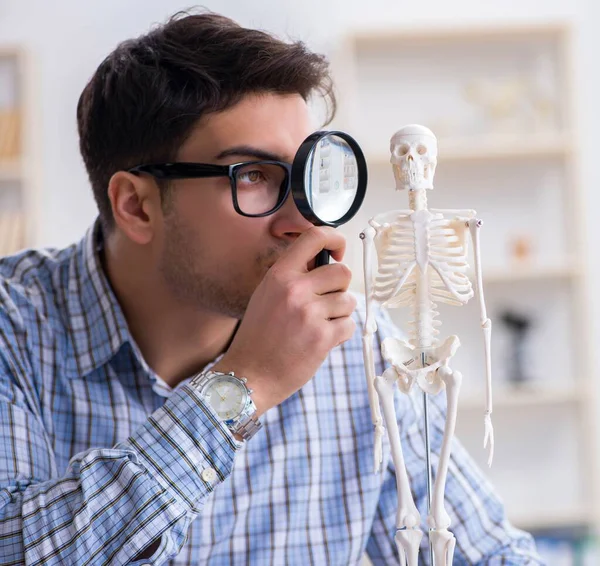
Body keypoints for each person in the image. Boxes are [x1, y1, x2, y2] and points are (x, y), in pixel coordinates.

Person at [0, 10, 543, 566]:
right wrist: (244, 384)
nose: (303, 223)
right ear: (136, 205)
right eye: (254, 176)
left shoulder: (354, 343)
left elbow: (490, 552)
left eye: (310, 176)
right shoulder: (13, 327)